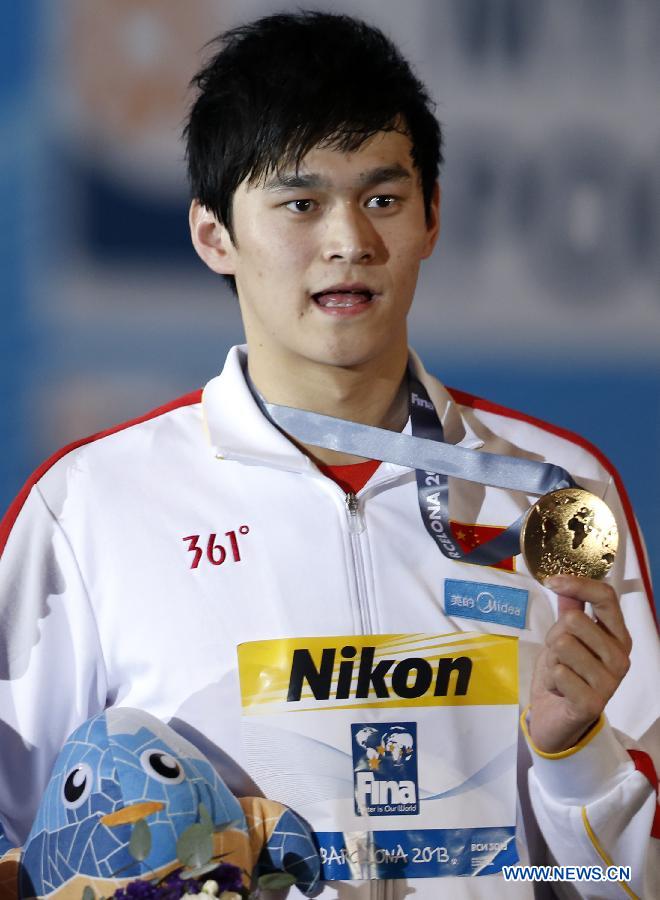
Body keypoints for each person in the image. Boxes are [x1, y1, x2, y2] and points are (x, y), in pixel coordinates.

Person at [0, 10, 658, 899]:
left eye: (382, 198)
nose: (350, 241)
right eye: (301, 203)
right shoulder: (90, 509)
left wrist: (574, 755)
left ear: (432, 218)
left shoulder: (555, 494)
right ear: (213, 234)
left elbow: (628, 882)